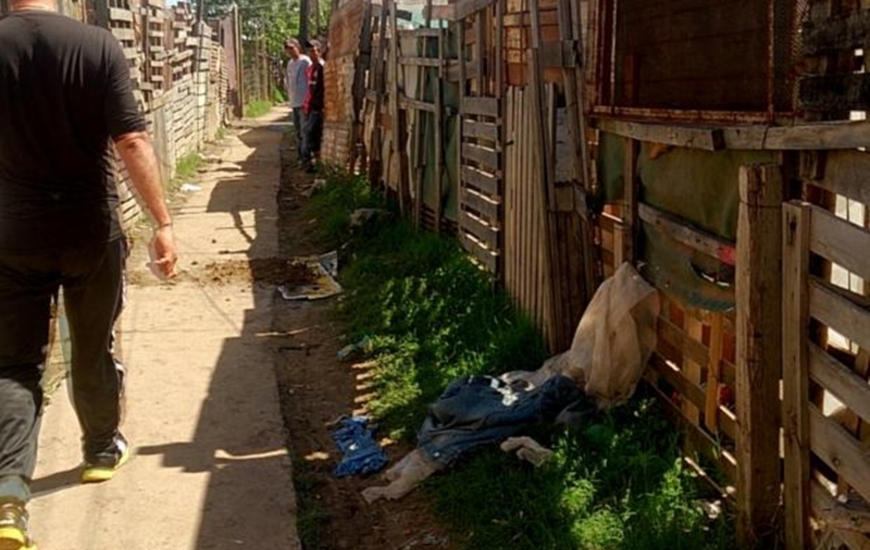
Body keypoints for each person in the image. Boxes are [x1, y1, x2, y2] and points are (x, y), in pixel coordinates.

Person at [0, 0, 178, 547]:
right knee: (92, 344)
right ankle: (100, 450)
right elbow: (131, 140)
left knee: (13, 364)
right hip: (89, 231)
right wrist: (162, 222)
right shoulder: (96, 45)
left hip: (12, 236)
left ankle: (8, 494)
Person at [283, 38, 311, 163]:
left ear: (298, 47)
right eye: (288, 49)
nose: (291, 51)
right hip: (294, 101)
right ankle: (300, 155)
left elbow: (310, 80)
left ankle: (305, 157)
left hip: (304, 101)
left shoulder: (305, 61)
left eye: (292, 48)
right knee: (298, 131)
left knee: (304, 130)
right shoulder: (290, 64)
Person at [301, 39, 325, 173]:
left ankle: (313, 162)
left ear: (319, 52)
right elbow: (310, 89)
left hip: (319, 107)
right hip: (311, 106)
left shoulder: (322, 67)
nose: (311, 54)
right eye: (309, 51)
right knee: (311, 134)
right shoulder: (312, 68)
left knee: (311, 133)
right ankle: (312, 162)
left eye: (314, 51)